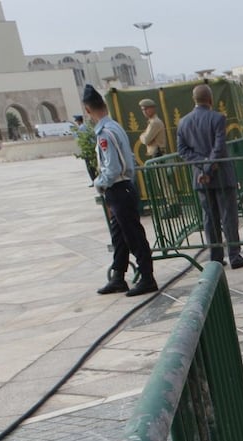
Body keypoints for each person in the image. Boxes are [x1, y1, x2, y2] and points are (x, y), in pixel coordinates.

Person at [82, 84, 157, 297]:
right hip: (123, 188)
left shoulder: (105, 133)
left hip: (118, 188)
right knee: (119, 236)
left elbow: (112, 168)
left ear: (88, 110)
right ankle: (118, 276)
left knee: (133, 236)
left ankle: (147, 277)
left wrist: (99, 183)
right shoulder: (115, 127)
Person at [176, 84, 243, 269]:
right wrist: (209, 167)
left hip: (201, 179)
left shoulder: (183, 122)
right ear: (210, 100)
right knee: (228, 217)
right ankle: (234, 255)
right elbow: (219, 147)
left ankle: (216, 257)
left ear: (194, 100)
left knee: (209, 218)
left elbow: (182, 150)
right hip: (221, 175)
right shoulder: (217, 118)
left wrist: (202, 168)